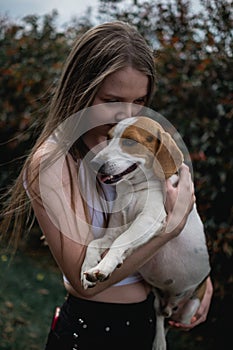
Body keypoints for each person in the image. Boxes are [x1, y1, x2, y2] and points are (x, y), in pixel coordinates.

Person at [1, 21, 213, 350]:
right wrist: (169, 228)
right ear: (81, 91)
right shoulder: (52, 163)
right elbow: (85, 284)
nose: (125, 115)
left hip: (144, 322)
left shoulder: (133, 151)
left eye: (139, 101)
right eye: (112, 100)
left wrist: (198, 278)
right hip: (92, 333)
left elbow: (175, 228)